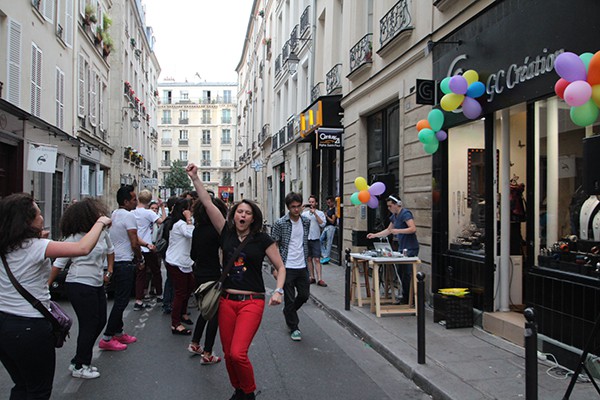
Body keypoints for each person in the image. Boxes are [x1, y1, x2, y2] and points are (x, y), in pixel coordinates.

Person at [186, 162, 286, 400]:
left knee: (239, 353)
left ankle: (248, 392)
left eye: (247, 213)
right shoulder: (226, 233)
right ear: (234, 215)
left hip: (252, 302)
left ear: (253, 218)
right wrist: (195, 179)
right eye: (240, 211)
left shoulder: (263, 240)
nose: (243, 215)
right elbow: (208, 204)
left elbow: (280, 267)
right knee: (229, 355)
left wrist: (279, 290)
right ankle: (238, 389)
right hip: (227, 301)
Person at [0, 193, 110, 398]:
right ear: (27, 221)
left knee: (22, 385)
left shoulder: (7, 245)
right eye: (39, 214)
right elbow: (83, 248)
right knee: (38, 390)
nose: (42, 217)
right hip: (29, 327)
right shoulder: (37, 247)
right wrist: (101, 222)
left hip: (4, 321)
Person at [48, 198, 114, 379]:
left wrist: (109, 271)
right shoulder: (74, 237)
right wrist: (46, 286)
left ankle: (80, 358)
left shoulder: (101, 233)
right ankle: (80, 364)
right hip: (79, 283)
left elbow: (110, 251)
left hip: (97, 283)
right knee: (89, 324)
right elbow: (59, 264)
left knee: (100, 321)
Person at [99, 185, 142, 351]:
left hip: (115, 261)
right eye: (133, 199)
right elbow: (134, 241)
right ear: (126, 201)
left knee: (119, 298)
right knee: (122, 301)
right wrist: (140, 258)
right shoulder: (129, 217)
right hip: (124, 261)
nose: (136, 202)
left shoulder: (115, 214)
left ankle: (118, 332)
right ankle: (107, 336)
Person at [188, 196, 228, 364]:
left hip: (199, 274)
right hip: (213, 275)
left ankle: (195, 343)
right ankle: (208, 352)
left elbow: (192, 255)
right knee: (214, 315)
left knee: (205, 310)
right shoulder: (217, 231)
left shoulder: (197, 229)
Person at [271, 192, 311, 342]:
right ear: (288, 208)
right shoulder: (280, 223)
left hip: (302, 266)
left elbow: (304, 242)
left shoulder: (306, 222)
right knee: (288, 298)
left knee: (304, 295)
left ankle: (288, 312)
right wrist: (276, 267)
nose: (296, 209)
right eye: (293, 207)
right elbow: (274, 245)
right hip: (286, 267)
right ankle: (294, 327)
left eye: (298, 206)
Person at [366, 195, 419, 304]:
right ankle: (405, 296)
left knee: (407, 273)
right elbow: (389, 230)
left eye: (390, 206)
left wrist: (399, 231)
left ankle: (411, 299)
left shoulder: (405, 213)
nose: (389, 208)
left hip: (410, 247)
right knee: (401, 272)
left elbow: (413, 228)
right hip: (401, 247)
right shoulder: (394, 216)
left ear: (397, 204)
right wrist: (375, 235)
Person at [164, 198, 195, 335]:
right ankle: (175, 323)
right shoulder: (180, 224)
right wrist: (188, 218)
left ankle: (183, 313)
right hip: (177, 262)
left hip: (184, 261)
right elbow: (191, 233)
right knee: (180, 292)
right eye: (190, 209)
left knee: (188, 287)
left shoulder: (181, 223)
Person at [132, 190, 166, 310]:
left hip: (136, 247)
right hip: (148, 247)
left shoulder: (132, 212)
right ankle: (159, 294)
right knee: (156, 271)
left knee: (140, 274)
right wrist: (162, 207)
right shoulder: (148, 213)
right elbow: (162, 221)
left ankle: (138, 300)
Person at [301, 195, 327, 286]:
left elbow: (322, 224)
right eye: (310, 202)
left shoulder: (320, 213)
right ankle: (312, 277)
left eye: (313, 202)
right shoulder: (305, 214)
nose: (311, 204)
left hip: (316, 238)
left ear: (316, 203)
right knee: (309, 259)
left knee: (317, 259)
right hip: (307, 238)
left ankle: (320, 278)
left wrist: (315, 213)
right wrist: (301, 209)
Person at [320, 196, 337, 264]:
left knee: (329, 242)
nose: (328, 204)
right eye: (327, 203)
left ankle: (326, 256)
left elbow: (333, 221)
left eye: (329, 202)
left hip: (331, 227)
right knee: (320, 240)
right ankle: (325, 255)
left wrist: (326, 216)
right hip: (326, 227)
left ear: (333, 202)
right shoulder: (328, 209)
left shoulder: (334, 210)